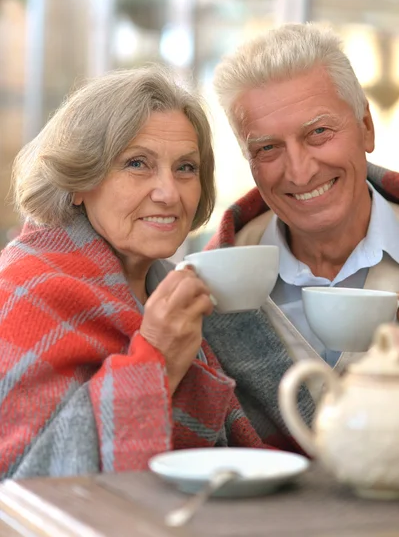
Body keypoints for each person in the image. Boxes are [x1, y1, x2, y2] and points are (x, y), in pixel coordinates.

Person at [0, 66, 274, 481]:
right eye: (137, 163)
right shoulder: (21, 290)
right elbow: (22, 486)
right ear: (77, 181)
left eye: (185, 168)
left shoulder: (175, 287)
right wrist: (155, 360)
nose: (168, 193)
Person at [202, 23, 399, 444]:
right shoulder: (208, 293)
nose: (300, 170)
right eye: (267, 148)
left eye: (318, 133)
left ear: (366, 126)